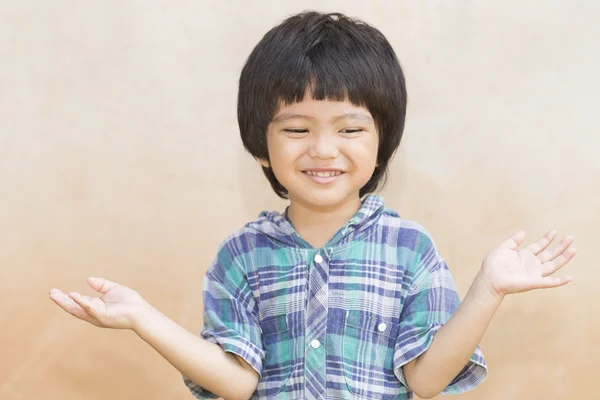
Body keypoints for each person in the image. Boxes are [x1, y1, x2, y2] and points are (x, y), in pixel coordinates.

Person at [49, 11, 578, 400]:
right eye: (298, 129)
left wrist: (487, 289)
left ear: (381, 142)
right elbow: (235, 382)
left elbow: (428, 378)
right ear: (261, 144)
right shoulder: (241, 255)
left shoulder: (410, 248)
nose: (324, 149)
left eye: (350, 129)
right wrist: (143, 318)